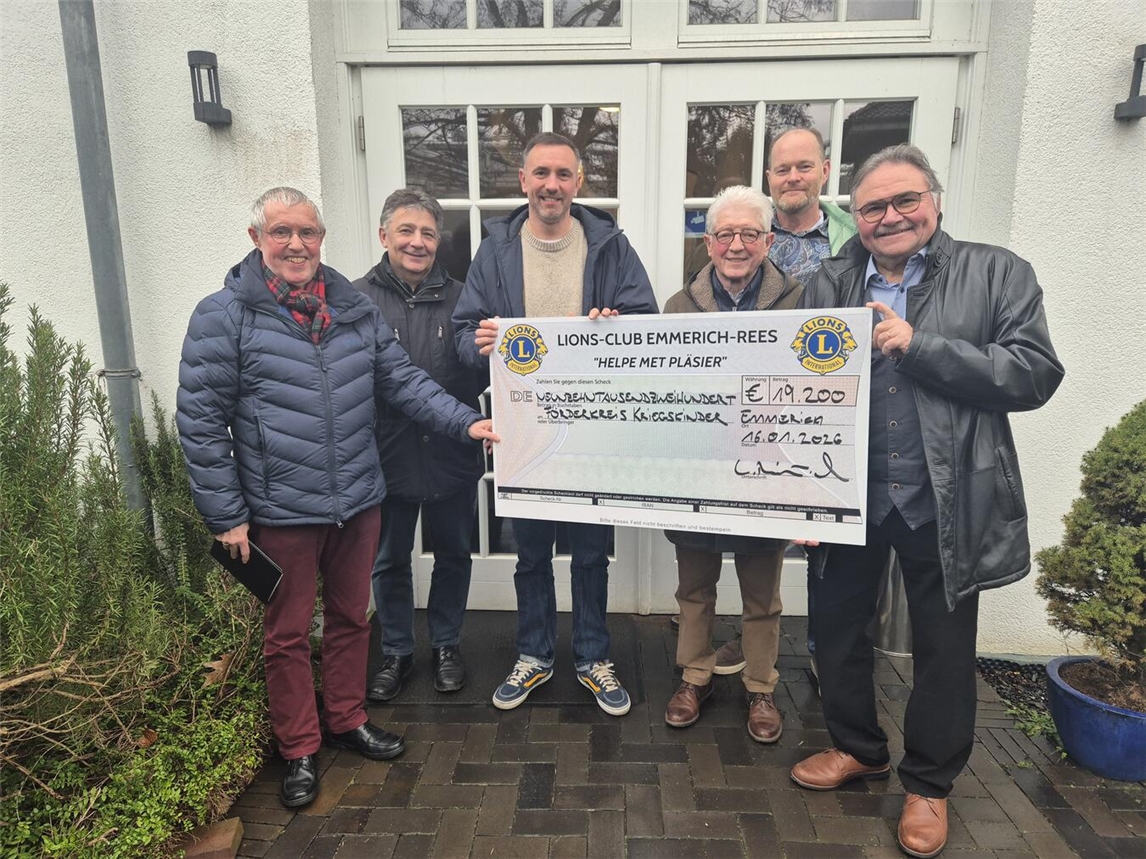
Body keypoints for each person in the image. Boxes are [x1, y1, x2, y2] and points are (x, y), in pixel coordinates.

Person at [177, 187, 498, 810]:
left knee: (354, 619)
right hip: (280, 509)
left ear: (321, 239)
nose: (296, 245)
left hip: (358, 498)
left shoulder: (350, 307)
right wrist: (227, 517)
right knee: (288, 634)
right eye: (281, 233)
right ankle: (299, 746)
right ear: (257, 240)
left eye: (308, 233)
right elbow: (200, 419)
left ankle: (347, 719)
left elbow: (401, 380)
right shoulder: (223, 316)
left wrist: (466, 423)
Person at [790, 146, 1063, 859]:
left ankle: (929, 784)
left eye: (904, 200)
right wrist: (800, 499)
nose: (889, 216)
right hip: (849, 494)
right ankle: (858, 748)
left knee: (943, 648)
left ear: (933, 202)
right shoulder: (829, 279)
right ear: (856, 216)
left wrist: (921, 346)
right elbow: (795, 391)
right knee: (838, 631)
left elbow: (1033, 373)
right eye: (873, 206)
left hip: (949, 496)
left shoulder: (997, 271)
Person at [453, 132, 658, 716]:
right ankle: (534, 655)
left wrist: (615, 326)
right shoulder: (494, 250)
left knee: (592, 552)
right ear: (523, 181)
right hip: (523, 432)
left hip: (593, 430)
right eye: (541, 173)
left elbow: (645, 325)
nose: (551, 185)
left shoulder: (610, 245)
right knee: (531, 555)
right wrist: (481, 342)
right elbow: (466, 340)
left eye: (563, 174)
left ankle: (594, 656)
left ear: (579, 181)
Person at [661, 186, 801, 742]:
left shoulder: (803, 303)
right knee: (694, 587)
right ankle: (695, 675)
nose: (736, 245)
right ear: (708, 242)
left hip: (768, 469)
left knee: (761, 593)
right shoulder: (677, 306)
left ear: (768, 241)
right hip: (698, 469)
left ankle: (762, 687)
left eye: (749, 234)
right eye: (725, 234)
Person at [353, 189, 489, 701]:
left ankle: (448, 645)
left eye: (427, 233)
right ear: (384, 236)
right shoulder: (354, 299)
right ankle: (396, 651)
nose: (417, 242)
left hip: (452, 448)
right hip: (383, 453)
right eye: (405, 231)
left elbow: (488, 364)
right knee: (388, 558)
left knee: (454, 552)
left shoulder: (464, 299)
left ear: (439, 240)